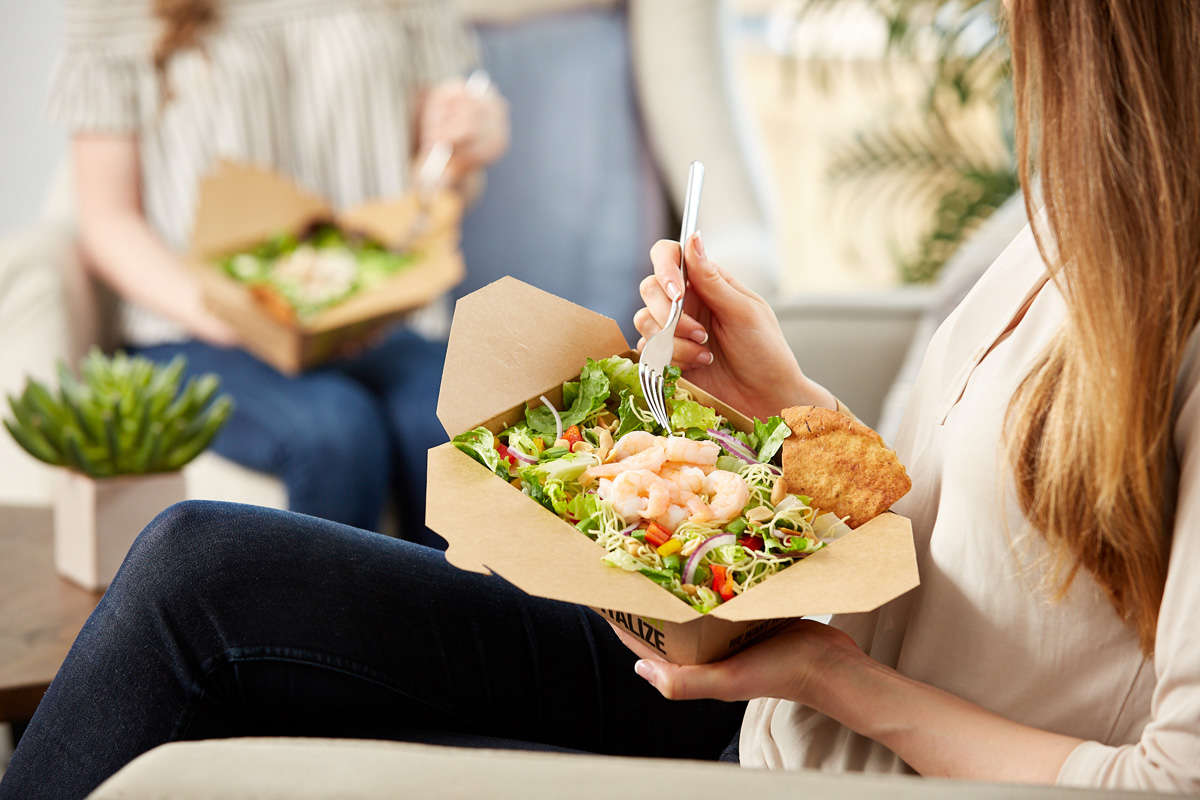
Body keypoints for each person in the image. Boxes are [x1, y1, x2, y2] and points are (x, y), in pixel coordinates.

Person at [4, 0, 1199, 796]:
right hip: (778, 678)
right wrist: (778, 395)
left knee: (203, 589)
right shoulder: (1068, 227)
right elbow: (953, 519)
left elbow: (1170, 776)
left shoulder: (1173, 321)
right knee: (199, 565)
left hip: (807, 738)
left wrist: (835, 681)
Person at [47, 0, 509, 542]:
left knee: (456, 425)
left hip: (377, 320)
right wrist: (235, 316)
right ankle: (324, 629)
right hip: (198, 328)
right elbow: (107, 219)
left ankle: (456, 625)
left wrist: (469, 145)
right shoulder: (118, 14)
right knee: (334, 432)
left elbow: (437, 185)